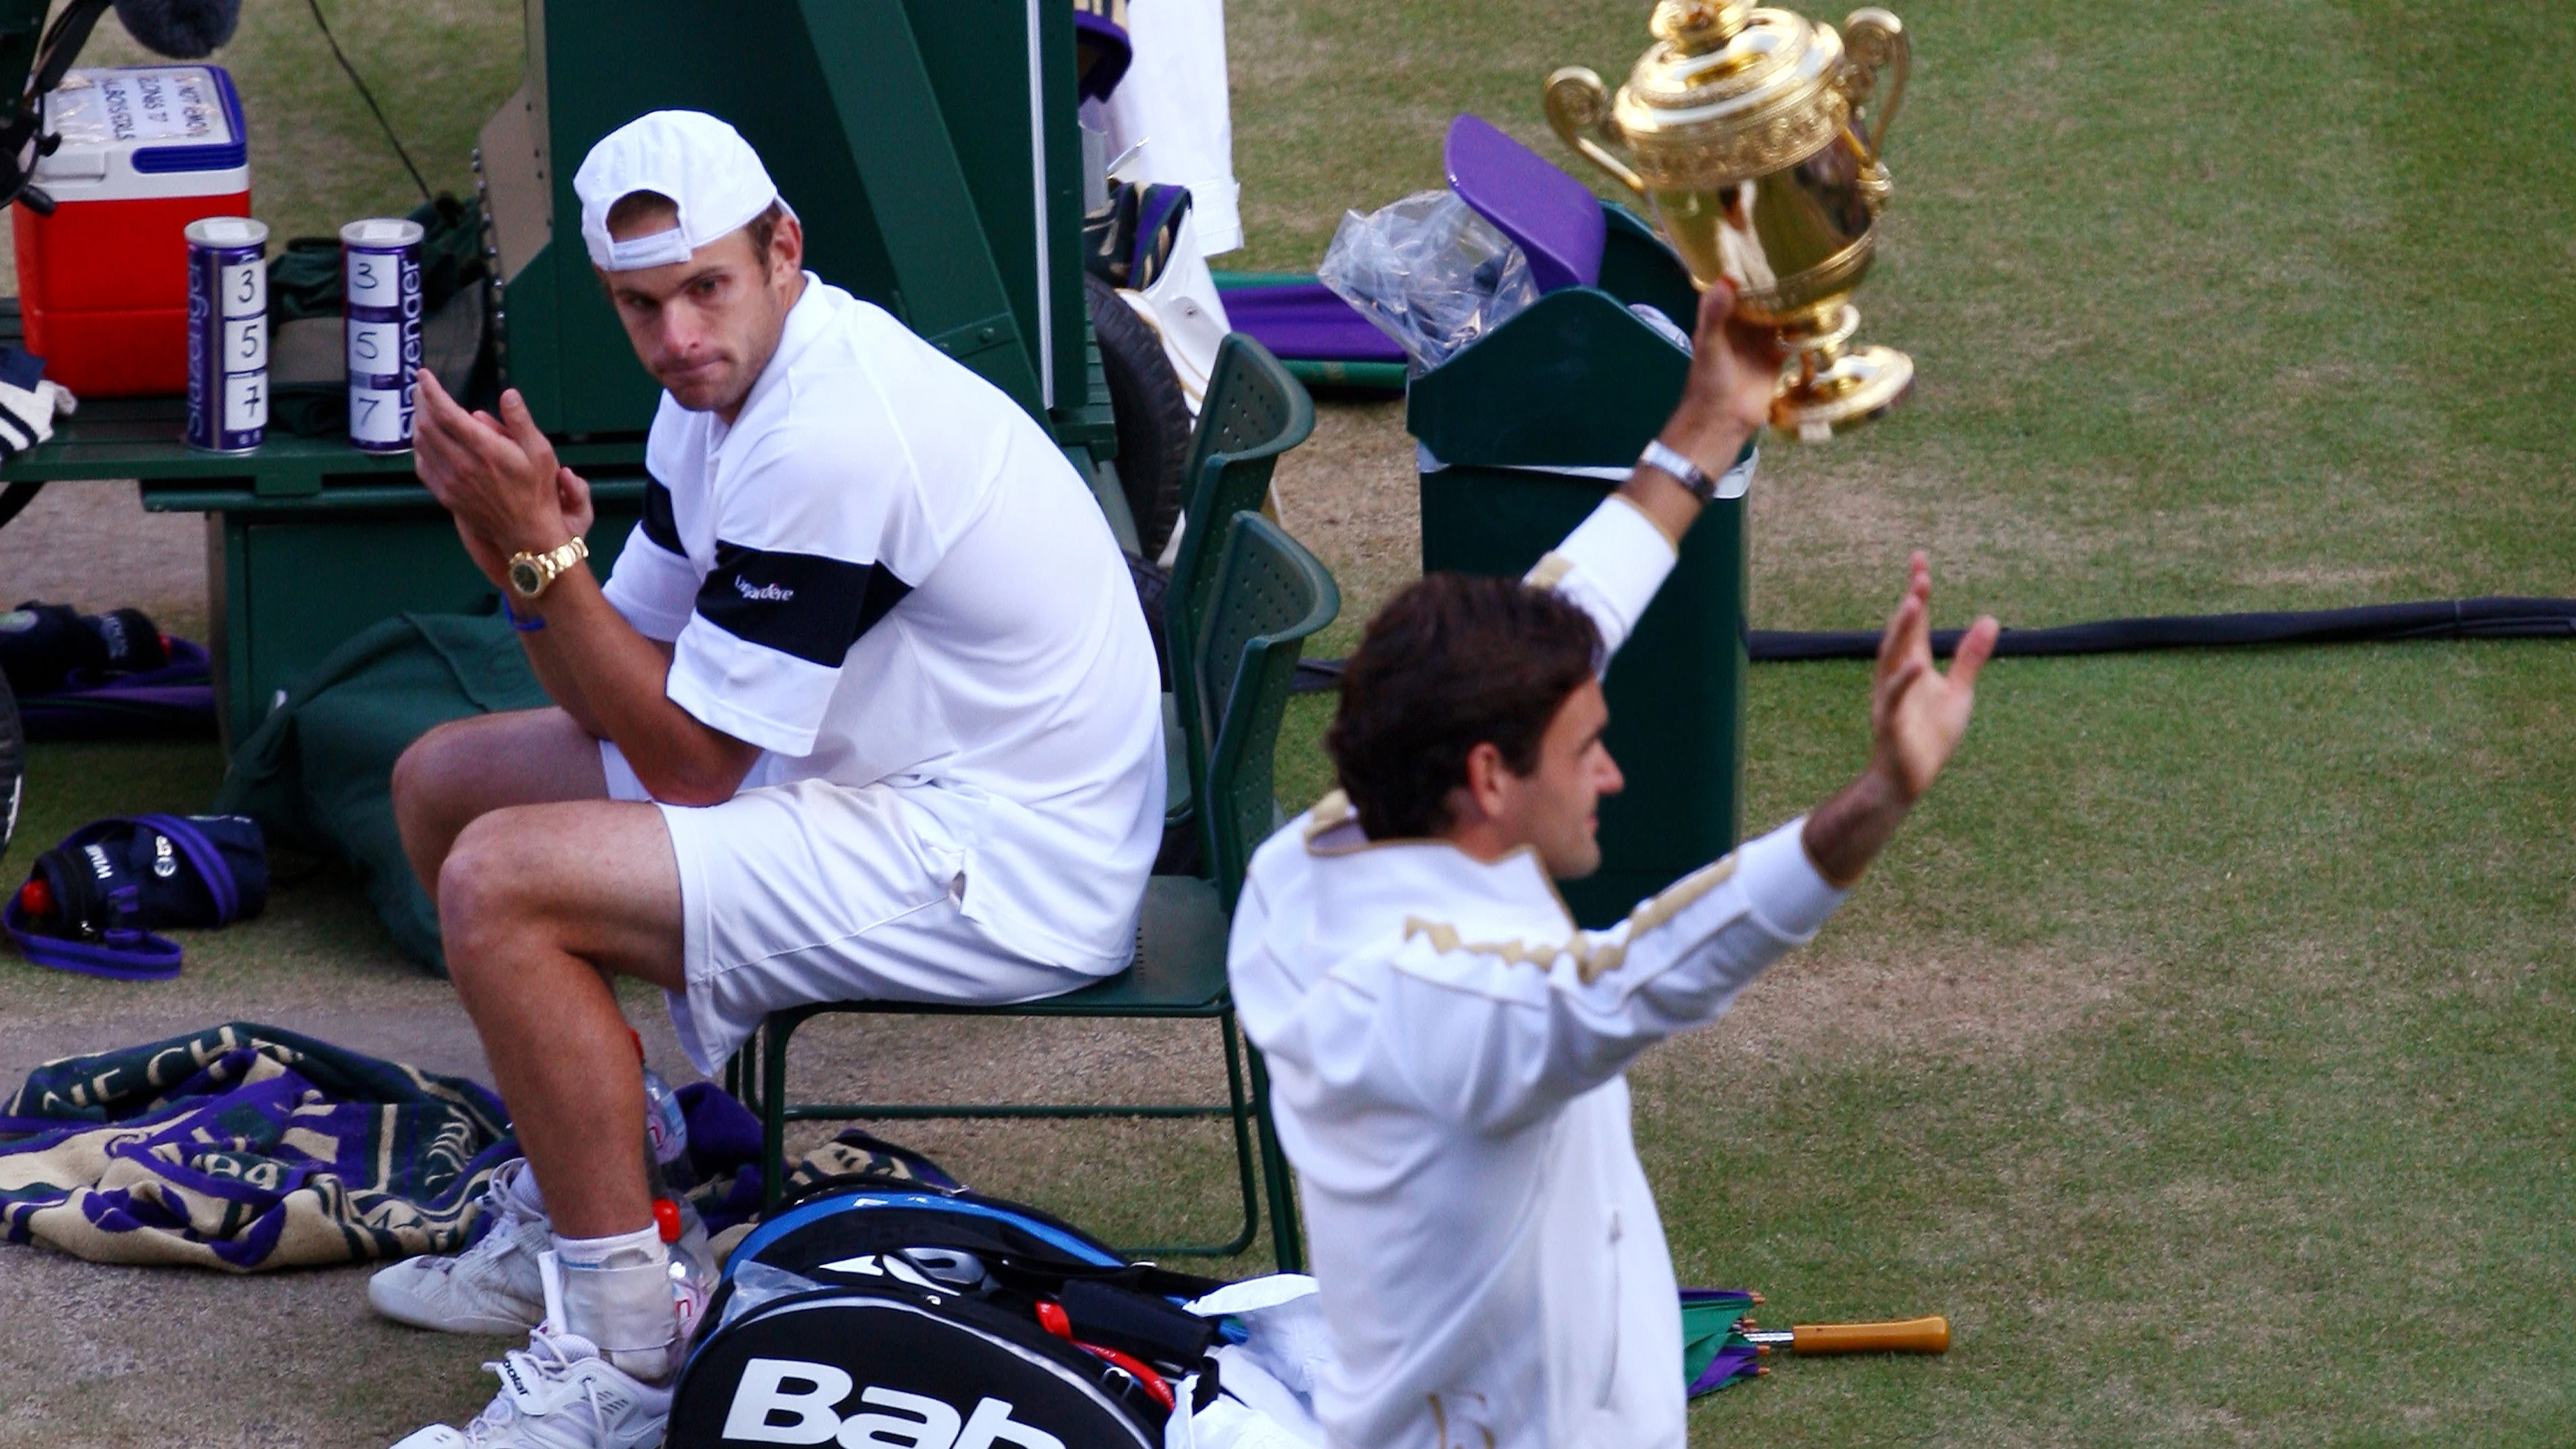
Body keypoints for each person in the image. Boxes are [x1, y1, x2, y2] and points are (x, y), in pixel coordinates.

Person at [376, 110, 1165, 1449]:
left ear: (782, 251)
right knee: (445, 781)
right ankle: (609, 1195)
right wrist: (523, 565)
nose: (677, 334)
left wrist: (539, 564)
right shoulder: (719, 396)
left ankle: (625, 1356)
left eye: (705, 289)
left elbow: (687, 761)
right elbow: (624, 673)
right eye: (641, 305)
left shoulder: (827, 430)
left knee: (500, 881)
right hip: (888, 777)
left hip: (1005, 854)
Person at [1225, 279, 1999, 1449]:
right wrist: (1876, 800)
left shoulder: (1319, 856)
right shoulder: (1448, 1008)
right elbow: (1648, 971)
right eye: (1588, 750)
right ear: (1488, 777)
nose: (1614, 776)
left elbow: (1559, 612)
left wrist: (1711, 424)